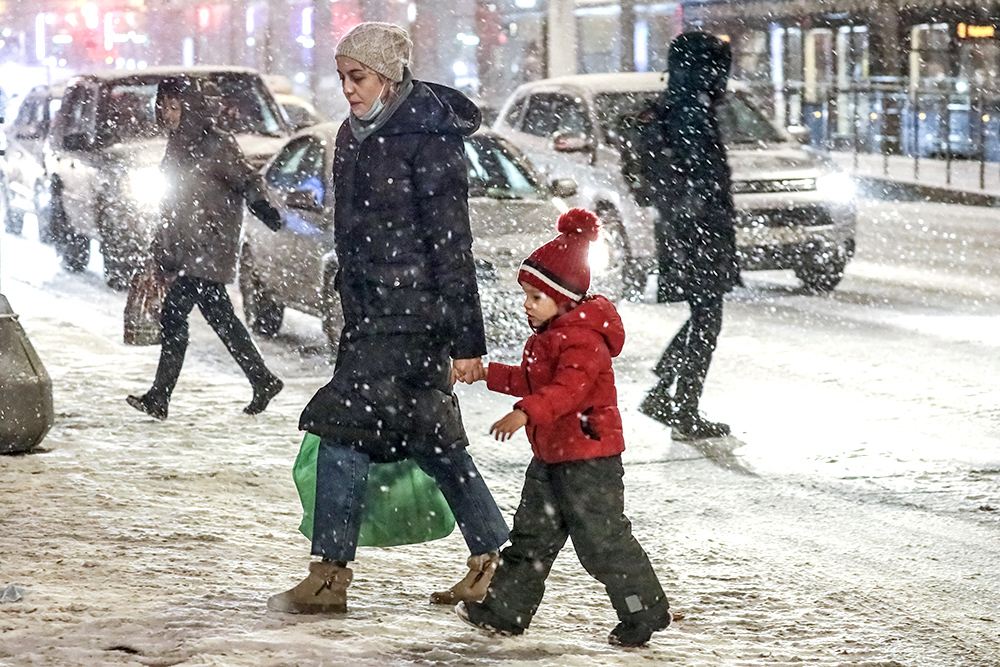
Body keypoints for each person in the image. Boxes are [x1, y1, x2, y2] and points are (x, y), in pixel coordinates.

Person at [266, 22, 509, 615]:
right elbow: (351, 237)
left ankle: (329, 574)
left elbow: (452, 244)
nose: (348, 89)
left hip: (415, 317)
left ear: (389, 76)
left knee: (340, 430)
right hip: (371, 318)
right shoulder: (353, 135)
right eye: (343, 76)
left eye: (359, 77)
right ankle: (495, 561)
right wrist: (352, 309)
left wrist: (465, 341)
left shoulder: (429, 138)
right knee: (432, 438)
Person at [454, 208, 670, 647]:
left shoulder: (583, 340)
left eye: (536, 297)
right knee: (530, 537)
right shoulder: (549, 336)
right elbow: (534, 382)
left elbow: (568, 390)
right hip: (552, 455)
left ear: (564, 298)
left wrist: (525, 412)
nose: (526, 305)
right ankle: (504, 611)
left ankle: (643, 609)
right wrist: (485, 373)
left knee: (601, 541)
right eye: (526, 296)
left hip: (589, 458)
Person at [127, 78, 284, 421]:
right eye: (164, 107)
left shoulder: (216, 145)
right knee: (222, 318)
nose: (168, 114)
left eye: (174, 107)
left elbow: (248, 179)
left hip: (210, 247)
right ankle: (263, 380)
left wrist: (265, 208)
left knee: (172, 314)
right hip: (187, 248)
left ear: (191, 108)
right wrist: (160, 249)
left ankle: (159, 396)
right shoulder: (176, 146)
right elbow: (170, 203)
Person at [635, 32, 740, 441]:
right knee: (707, 317)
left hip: (684, 228)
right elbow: (703, 176)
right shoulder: (690, 112)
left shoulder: (673, 105)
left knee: (703, 315)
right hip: (700, 231)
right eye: (718, 68)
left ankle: (668, 394)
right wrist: (708, 216)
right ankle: (681, 406)